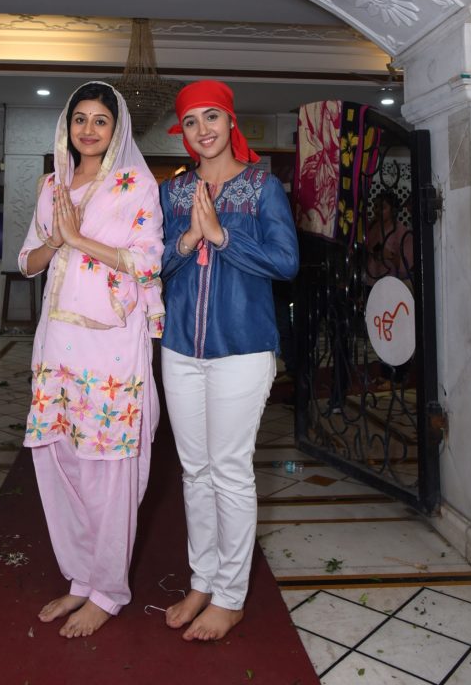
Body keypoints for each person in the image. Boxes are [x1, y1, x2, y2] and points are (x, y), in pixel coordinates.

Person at [18, 81, 164, 639]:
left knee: (108, 469)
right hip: (57, 342)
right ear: (67, 126)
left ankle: (108, 590)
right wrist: (57, 241)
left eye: (100, 120)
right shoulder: (51, 184)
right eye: (79, 118)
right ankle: (81, 578)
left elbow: (146, 263)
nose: (88, 129)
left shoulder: (137, 186)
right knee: (61, 463)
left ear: (117, 128)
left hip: (111, 344)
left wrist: (77, 237)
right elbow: (29, 262)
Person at [159, 80, 299, 642]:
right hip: (178, 350)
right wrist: (188, 241)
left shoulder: (263, 188)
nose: (202, 131)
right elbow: (156, 266)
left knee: (230, 470)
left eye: (211, 117)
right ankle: (202, 580)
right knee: (194, 471)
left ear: (230, 120)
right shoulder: (175, 193)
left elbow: (287, 262)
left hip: (243, 348)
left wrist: (220, 235)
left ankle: (231, 595)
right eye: (191, 123)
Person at [365, 189, 413, 286]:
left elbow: (406, 268)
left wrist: (389, 256)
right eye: (375, 207)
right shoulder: (370, 227)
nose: (376, 210)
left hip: (390, 286)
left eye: (382, 207)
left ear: (393, 210)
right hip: (369, 283)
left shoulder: (403, 233)